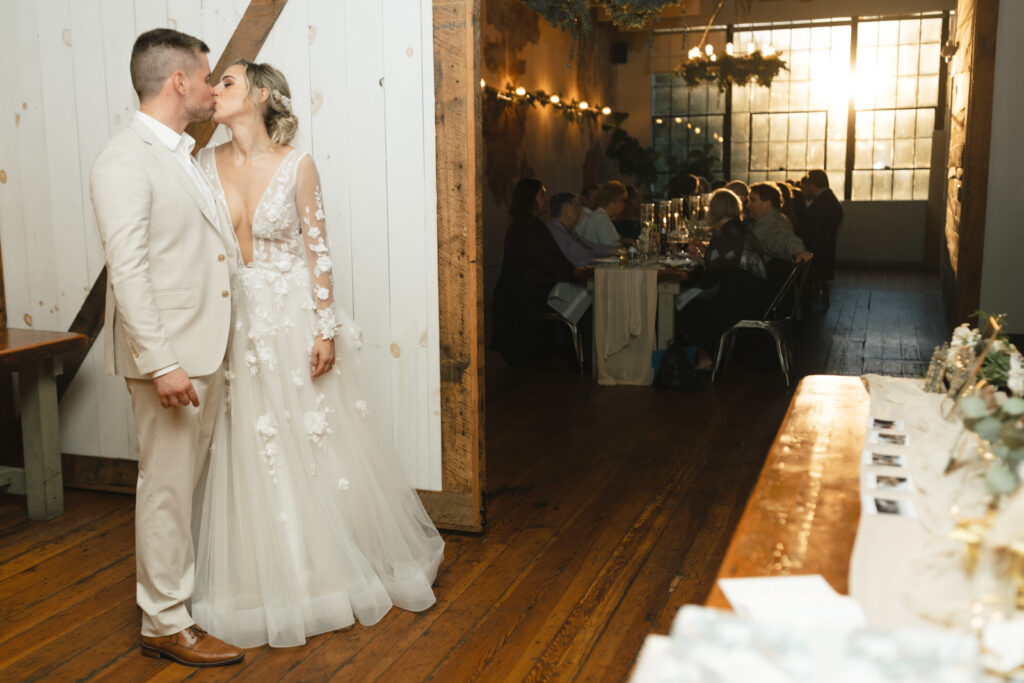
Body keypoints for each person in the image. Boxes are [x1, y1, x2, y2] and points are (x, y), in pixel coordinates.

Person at [191, 60, 443, 648]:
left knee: (312, 440)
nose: (214, 90)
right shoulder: (202, 164)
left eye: (225, 82)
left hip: (293, 316)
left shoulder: (298, 165)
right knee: (251, 443)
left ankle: (328, 569)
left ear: (258, 95)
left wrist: (325, 329)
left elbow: (318, 251)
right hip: (233, 322)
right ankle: (270, 572)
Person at [90, 28, 244, 667]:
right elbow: (128, 273)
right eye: (207, 77)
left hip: (203, 349)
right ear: (179, 81)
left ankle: (177, 602)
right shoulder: (123, 160)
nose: (212, 89)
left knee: (186, 486)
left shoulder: (181, 153)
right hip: (172, 359)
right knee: (167, 488)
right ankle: (163, 623)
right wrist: (162, 363)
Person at [491, 179, 582, 367]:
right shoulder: (526, 228)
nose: (546, 198)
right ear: (529, 198)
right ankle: (583, 357)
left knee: (586, 297)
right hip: (529, 295)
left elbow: (553, 259)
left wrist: (574, 272)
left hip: (534, 289)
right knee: (587, 301)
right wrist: (574, 274)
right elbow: (547, 263)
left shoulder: (532, 225)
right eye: (542, 194)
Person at [676, 189, 771, 370]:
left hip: (743, 300)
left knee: (679, 305)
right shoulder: (737, 228)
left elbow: (709, 281)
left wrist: (696, 275)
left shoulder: (727, 235)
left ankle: (703, 357)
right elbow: (724, 268)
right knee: (685, 298)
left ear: (714, 211)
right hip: (754, 293)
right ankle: (706, 355)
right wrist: (703, 261)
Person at [747, 182, 812, 264]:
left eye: (752, 200)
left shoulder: (773, 224)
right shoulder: (772, 219)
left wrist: (798, 251)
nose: (747, 205)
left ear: (767, 203)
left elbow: (784, 239)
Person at [547, 192, 615, 266]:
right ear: (565, 210)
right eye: (576, 207)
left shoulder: (568, 230)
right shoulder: (556, 232)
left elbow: (590, 246)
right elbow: (566, 263)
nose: (579, 210)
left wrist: (616, 250)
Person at [803, 169, 844, 281]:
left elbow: (807, 227)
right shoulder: (830, 199)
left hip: (816, 255)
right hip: (825, 254)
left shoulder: (820, 203)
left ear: (812, 184)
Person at [577, 180, 629, 247]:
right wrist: (624, 242)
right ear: (612, 202)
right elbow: (609, 247)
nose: (624, 205)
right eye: (622, 201)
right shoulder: (600, 217)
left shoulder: (603, 215)